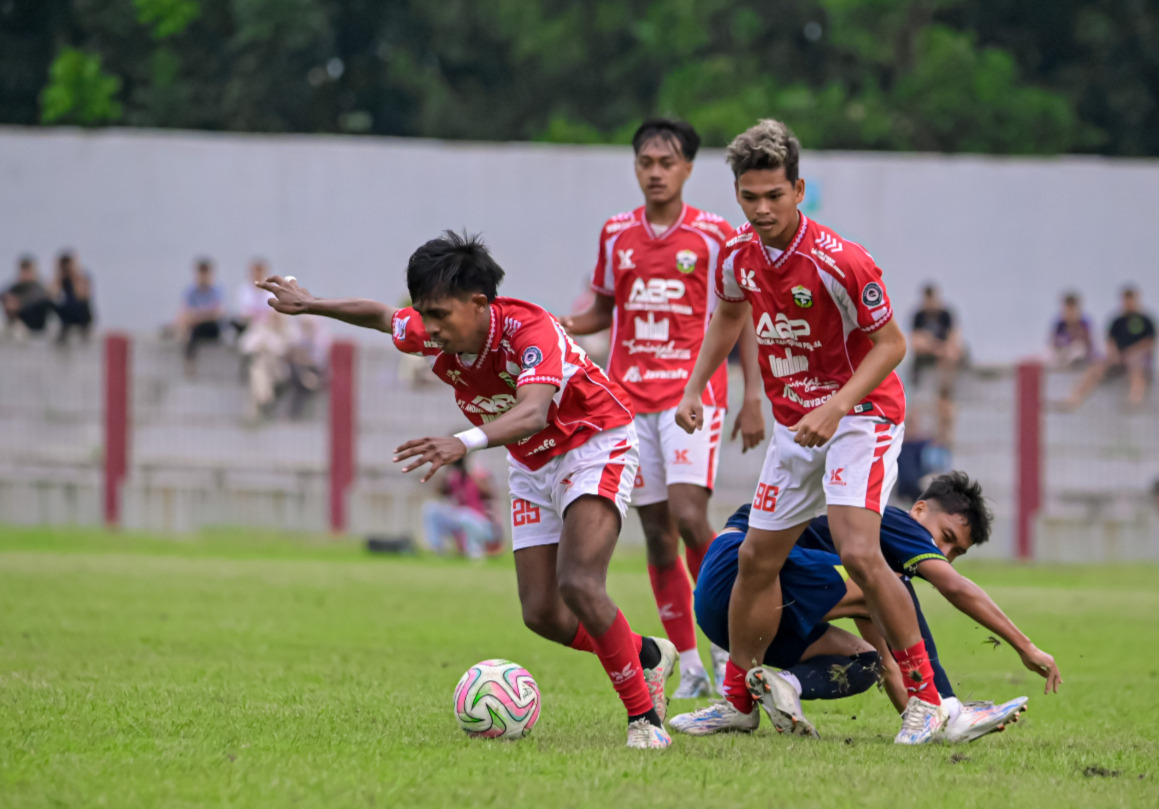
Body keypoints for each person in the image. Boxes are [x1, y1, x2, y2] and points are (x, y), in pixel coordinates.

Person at [258, 231, 679, 749]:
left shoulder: (531, 331)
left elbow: (534, 411)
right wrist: (312, 303)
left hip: (594, 443)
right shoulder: (434, 327)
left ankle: (645, 721)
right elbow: (377, 314)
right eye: (424, 315)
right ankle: (645, 655)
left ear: (479, 304)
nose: (429, 329)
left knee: (579, 583)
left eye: (439, 315)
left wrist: (462, 442)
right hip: (531, 460)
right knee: (542, 613)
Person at [674, 118, 946, 745]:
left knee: (857, 549)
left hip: (863, 417)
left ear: (799, 190)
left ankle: (927, 701)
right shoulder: (737, 255)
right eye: (750, 197)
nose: (763, 208)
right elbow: (726, 318)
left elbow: (892, 345)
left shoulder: (841, 261)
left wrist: (835, 407)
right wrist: (694, 388)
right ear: (738, 195)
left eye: (775, 195)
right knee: (753, 556)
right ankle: (739, 701)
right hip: (799, 426)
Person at [562, 118, 765, 699]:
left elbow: (740, 312)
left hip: (690, 396)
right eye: (645, 162)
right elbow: (603, 308)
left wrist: (752, 394)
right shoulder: (616, 234)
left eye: (666, 162)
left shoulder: (712, 235)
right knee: (656, 536)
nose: (655, 172)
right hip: (629, 400)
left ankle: (726, 637)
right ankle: (690, 664)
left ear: (687, 170)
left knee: (689, 515)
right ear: (635, 167)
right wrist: (562, 324)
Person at [671, 472, 1059, 743]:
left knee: (869, 662)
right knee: (898, 589)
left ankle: (781, 686)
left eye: (956, 551)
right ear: (920, 510)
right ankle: (948, 706)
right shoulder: (889, 521)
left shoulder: (868, 570)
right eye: (946, 537)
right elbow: (954, 587)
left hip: (728, 615)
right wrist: (1024, 646)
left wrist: (922, 723)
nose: (944, 553)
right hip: (736, 567)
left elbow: (892, 663)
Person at [1064, 286, 1155, 410]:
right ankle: (1076, 397)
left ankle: (1135, 401)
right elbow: (1110, 341)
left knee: (1136, 367)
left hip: (1137, 358)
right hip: (1118, 358)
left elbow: (1149, 342)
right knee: (1096, 367)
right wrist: (1115, 354)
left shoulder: (1145, 320)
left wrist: (1131, 352)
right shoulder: (1117, 321)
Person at [910, 284, 961, 448]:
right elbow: (916, 342)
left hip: (940, 359)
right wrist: (936, 347)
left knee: (950, 353)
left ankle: (946, 389)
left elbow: (954, 340)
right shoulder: (919, 316)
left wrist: (936, 346)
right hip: (925, 361)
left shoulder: (945, 315)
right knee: (932, 345)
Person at [423, 456, 502, 558]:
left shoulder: (479, 475)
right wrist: (446, 468)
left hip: (481, 523)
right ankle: (438, 549)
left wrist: (470, 473)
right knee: (431, 508)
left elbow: (490, 494)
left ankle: (475, 552)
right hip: (461, 520)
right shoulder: (455, 477)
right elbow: (439, 491)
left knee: (464, 514)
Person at [176, 258, 225, 367]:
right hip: (196, 327)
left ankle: (189, 359)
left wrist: (198, 316)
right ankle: (189, 360)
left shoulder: (216, 290)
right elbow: (184, 312)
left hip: (211, 327)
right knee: (189, 330)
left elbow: (218, 313)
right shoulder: (191, 291)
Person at [2, 254, 53, 339]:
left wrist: (19, 302)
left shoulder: (39, 287)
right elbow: (4, 295)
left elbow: (42, 299)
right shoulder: (17, 287)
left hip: (36, 323)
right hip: (20, 320)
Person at [50, 250, 94, 343]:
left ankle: (83, 329)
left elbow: (82, 296)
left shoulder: (83, 278)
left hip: (81, 312)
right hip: (68, 313)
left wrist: (75, 277)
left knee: (79, 305)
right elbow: (54, 296)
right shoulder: (61, 279)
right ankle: (64, 329)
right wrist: (58, 276)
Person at [1050, 291, 1095, 368]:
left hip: (1080, 357)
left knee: (1078, 348)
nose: (1070, 313)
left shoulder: (1083, 324)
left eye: (1072, 309)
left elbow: (1089, 344)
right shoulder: (1060, 325)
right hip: (1062, 354)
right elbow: (1053, 343)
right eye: (1067, 309)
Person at [233, 258, 275, 338]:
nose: (258, 274)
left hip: (269, 327)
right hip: (249, 328)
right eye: (256, 271)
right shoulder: (243, 290)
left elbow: (274, 314)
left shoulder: (272, 291)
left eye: (261, 271)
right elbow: (243, 314)